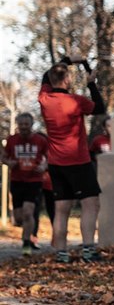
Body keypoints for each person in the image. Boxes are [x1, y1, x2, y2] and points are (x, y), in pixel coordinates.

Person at [38, 56, 107, 263]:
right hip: (78, 160)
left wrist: (65, 61)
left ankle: (61, 252)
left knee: (61, 208)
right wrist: (91, 83)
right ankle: (88, 250)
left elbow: (46, 76)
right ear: (67, 80)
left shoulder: (44, 99)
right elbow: (100, 108)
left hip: (56, 163)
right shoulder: (76, 101)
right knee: (91, 204)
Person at [2, 113, 49, 256]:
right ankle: (27, 230)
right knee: (19, 217)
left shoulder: (40, 140)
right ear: (17, 125)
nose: (23, 128)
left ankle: (27, 242)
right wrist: (9, 163)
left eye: (26, 125)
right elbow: (4, 157)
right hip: (17, 180)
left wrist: (44, 167)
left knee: (28, 212)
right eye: (21, 125)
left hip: (34, 181)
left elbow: (49, 156)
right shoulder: (12, 140)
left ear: (31, 124)